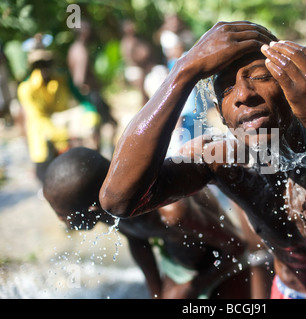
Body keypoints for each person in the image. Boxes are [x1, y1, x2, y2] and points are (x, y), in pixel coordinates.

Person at [100, 21, 306, 299]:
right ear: (221, 115)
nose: (244, 95)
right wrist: (183, 72)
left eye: (260, 77)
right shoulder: (223, 158)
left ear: (294, 88)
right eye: (226, 90)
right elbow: (118, 200)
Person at [43, 146, 252, 299]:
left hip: (224, 268)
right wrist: (156, 293)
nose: (60, 220)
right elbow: (138, 242)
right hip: (182, 264)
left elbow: (238, 247)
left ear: (92, 211)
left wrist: (193, 287)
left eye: (62, 214)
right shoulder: (111, 212)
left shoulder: (171, 213)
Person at [17, 36, 100, 183]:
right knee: (46, 173)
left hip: (64, 121)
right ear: (32, 67)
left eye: (47, 63)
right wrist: (68, 135)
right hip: (45, 130)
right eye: (39, 65)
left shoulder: (62, 77)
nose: (44, 68)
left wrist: (91, 117)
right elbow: (40, 120)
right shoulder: (26, 89)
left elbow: (83, 101)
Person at [67, 20, 118, 154]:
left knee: (97, 128)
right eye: (89, 30)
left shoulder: (73, 49)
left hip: (84, 96)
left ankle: (99, 155)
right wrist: (95, 87)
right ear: (83, 33)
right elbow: (80, 80)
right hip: (90, 94)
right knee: (111, 124)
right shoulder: (82, 52)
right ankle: (107, 155)